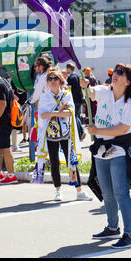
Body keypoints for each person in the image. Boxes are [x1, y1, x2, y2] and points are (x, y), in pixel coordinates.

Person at [80, 64, 131, 249]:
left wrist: (98, 130)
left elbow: (123, 128)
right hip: (101, 150)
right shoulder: (105, 91)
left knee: (121, 193)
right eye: (115, 72)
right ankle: (112, 227)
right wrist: (85, 85)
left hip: (119, 150)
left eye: (120, 73)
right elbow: (91, 92)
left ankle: (130, 234)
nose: (115, 75)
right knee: (107, 193)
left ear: (128, 81)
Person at [37, 67, 92, 201]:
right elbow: (42, 115)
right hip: (51, 135)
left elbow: (70, 113)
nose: (53, 81)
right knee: (54, 163)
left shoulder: (67, 95)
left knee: (71, 162)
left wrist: (53, 113)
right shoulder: (45, 97)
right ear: (47, 82)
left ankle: (79, 191)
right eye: (50, 79)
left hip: (66, 134)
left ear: (61, 80)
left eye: (56, 78)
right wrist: (58, 113)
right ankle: (58, 191)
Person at [66, 63, 85, 140]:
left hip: (73, 99)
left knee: (74, 116)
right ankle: (80, 133)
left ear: (68, 69)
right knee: (76, 115)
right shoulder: (77, 76)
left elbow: (69, 89)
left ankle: (81, 132)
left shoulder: (70, 78)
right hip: (79, 99)